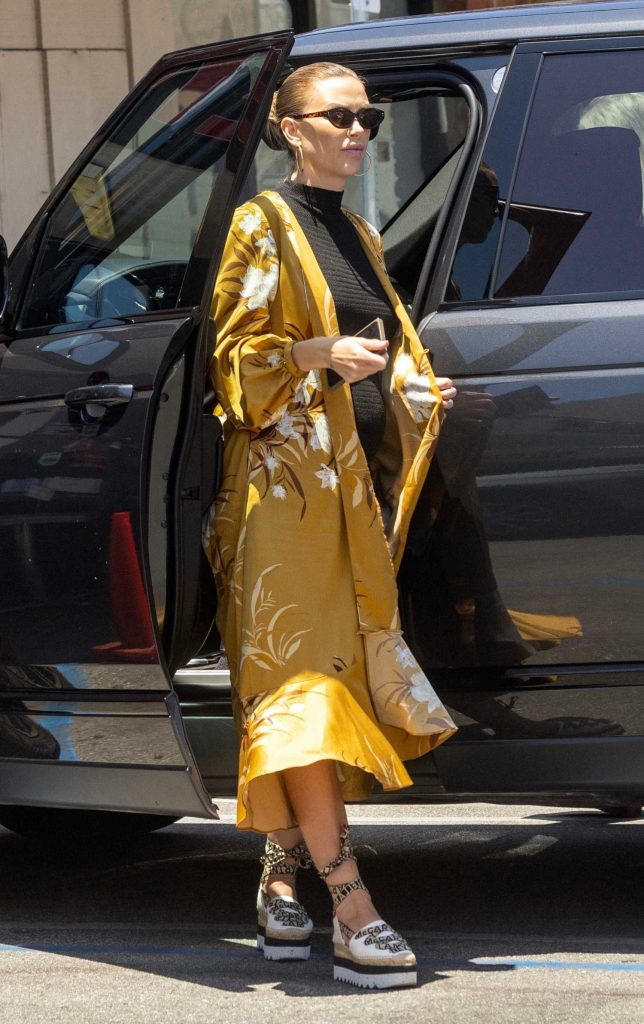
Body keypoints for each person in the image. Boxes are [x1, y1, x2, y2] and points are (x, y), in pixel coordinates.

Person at [203, 62, 457, 990]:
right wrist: (317, 351)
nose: (358, 131)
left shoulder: (356, 233)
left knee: (326, 689)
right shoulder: (260, 223)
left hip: (339, 501)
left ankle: (279, 878)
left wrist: (413, 387)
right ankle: (349, 902)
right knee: (301, 689)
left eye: (368, 118)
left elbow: (383, 352)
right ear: (288, 128)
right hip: (277, 504)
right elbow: (234, 361)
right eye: (338, 116)